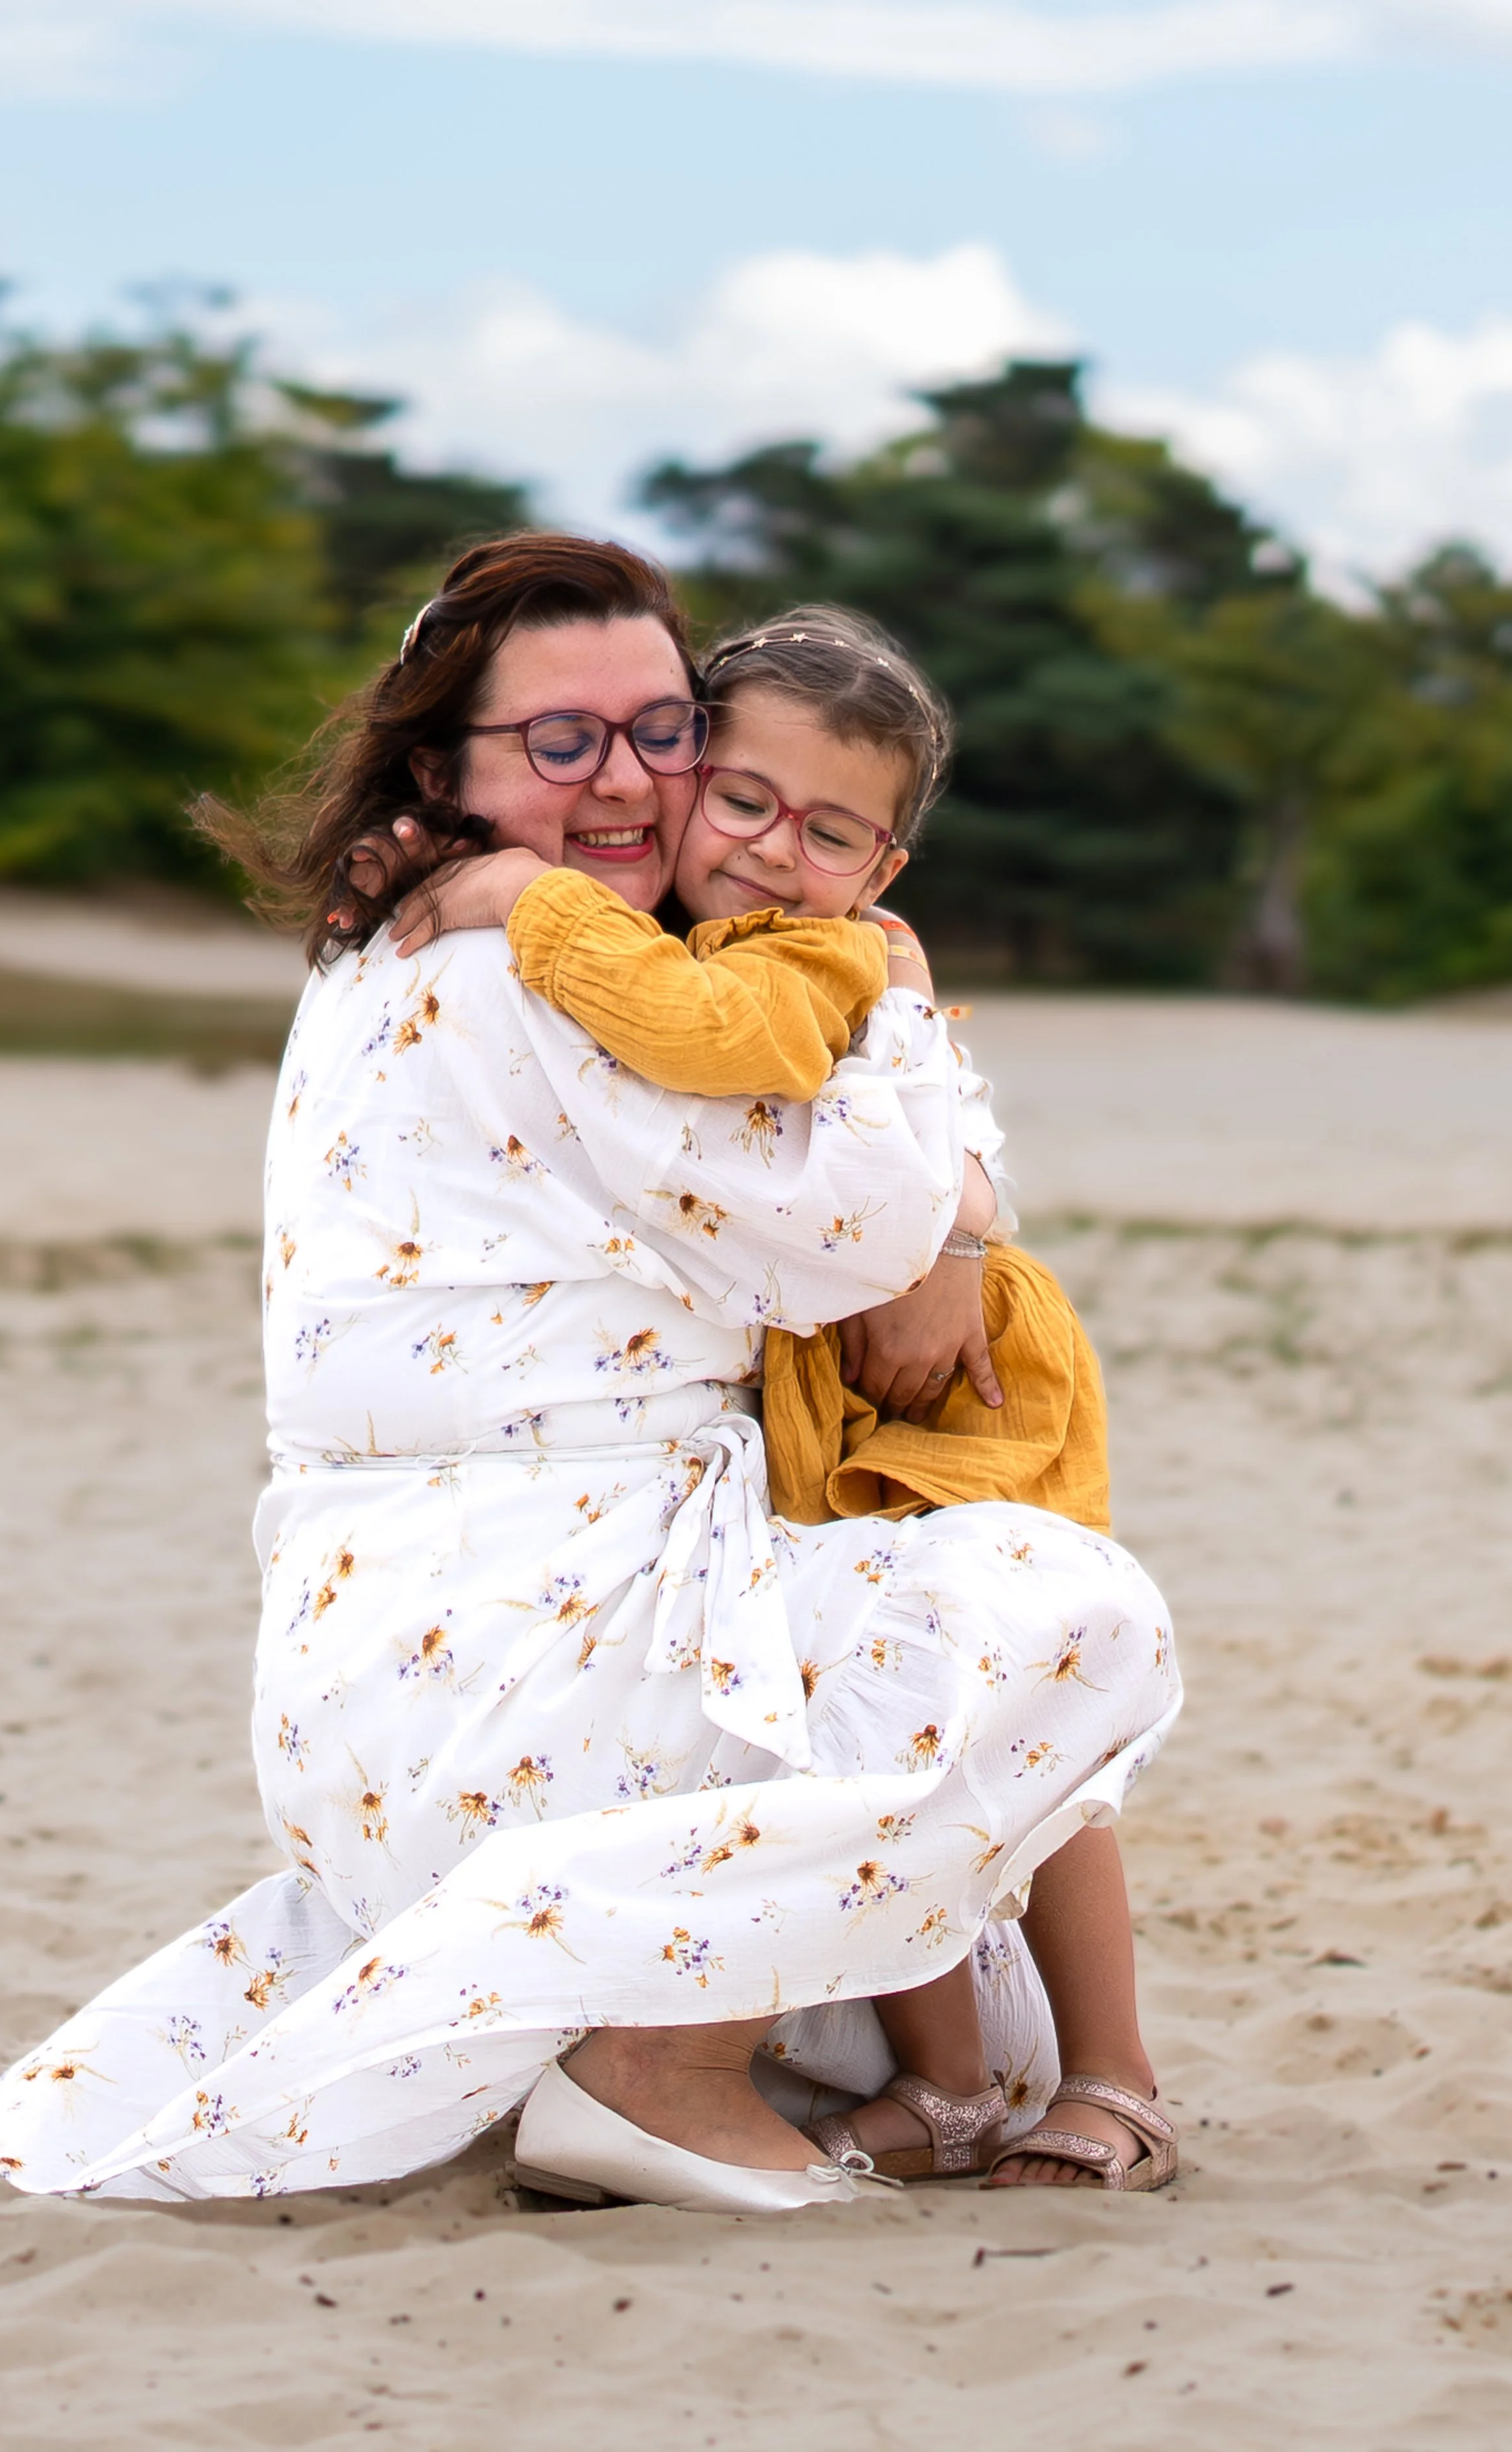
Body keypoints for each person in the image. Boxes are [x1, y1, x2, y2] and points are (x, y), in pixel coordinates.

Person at [0, 534, 1181, 2214]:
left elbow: (888, 1167)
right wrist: (903, 1021)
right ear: (441, 768)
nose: (627, 779)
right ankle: (661, 2071)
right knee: (1072, 1624)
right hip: (530, 1666)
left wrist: (937, 1142)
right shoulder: (516, 964)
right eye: (560, 741)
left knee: (971, 1986)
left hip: (406, 1690)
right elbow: (852, 1214)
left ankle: (780, 2053)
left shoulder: (443, 944)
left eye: (660, 729)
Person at [387, 604, 1168, 2190]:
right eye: (736, 799)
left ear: (881, 870)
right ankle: (948, 2083)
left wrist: (513, 891)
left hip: (947, 1382)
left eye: (825, 832)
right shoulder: (678, 934)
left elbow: (770, 1054)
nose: (759, 847)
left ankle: (1116, 2076)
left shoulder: (805, 951)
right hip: (795, 1390)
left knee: (1004, 1685)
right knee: (859, 1714)